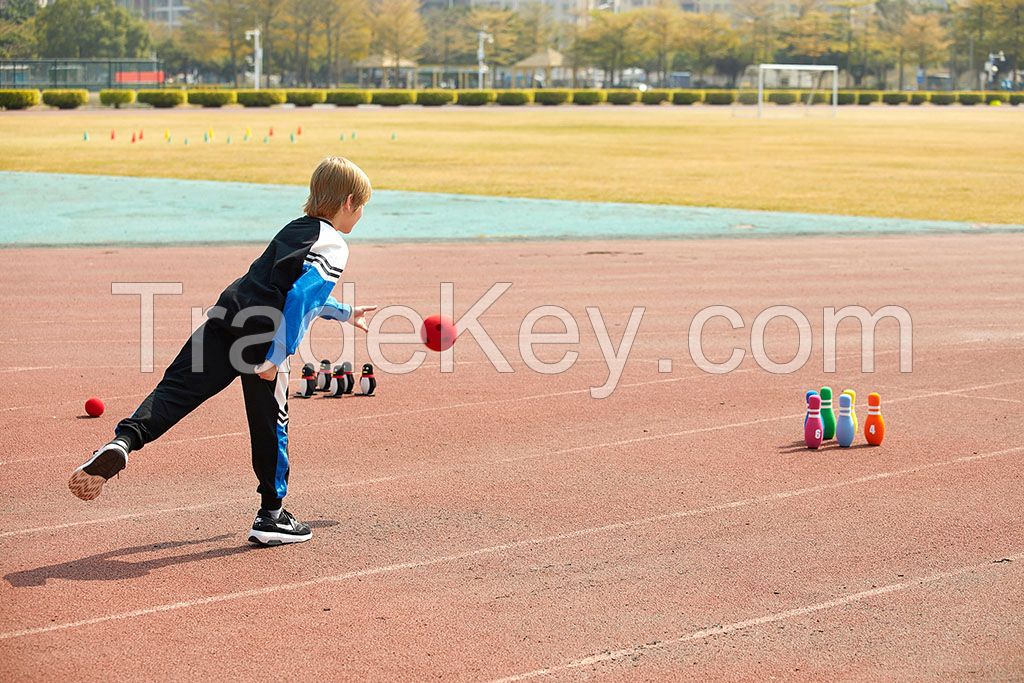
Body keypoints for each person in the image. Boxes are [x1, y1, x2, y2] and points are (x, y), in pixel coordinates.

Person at [68, 157, 376, 546]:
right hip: (263, 338)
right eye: (362, 205)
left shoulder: (295, 229)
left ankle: (122, 442)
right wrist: (277, 357)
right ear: (349, 201)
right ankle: (272, 516)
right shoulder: (335, 244)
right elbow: (299, 297)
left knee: (173, 393)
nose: (361, 213)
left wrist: (346, 312)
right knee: (271, 424)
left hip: (227, 315)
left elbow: (285, 287)